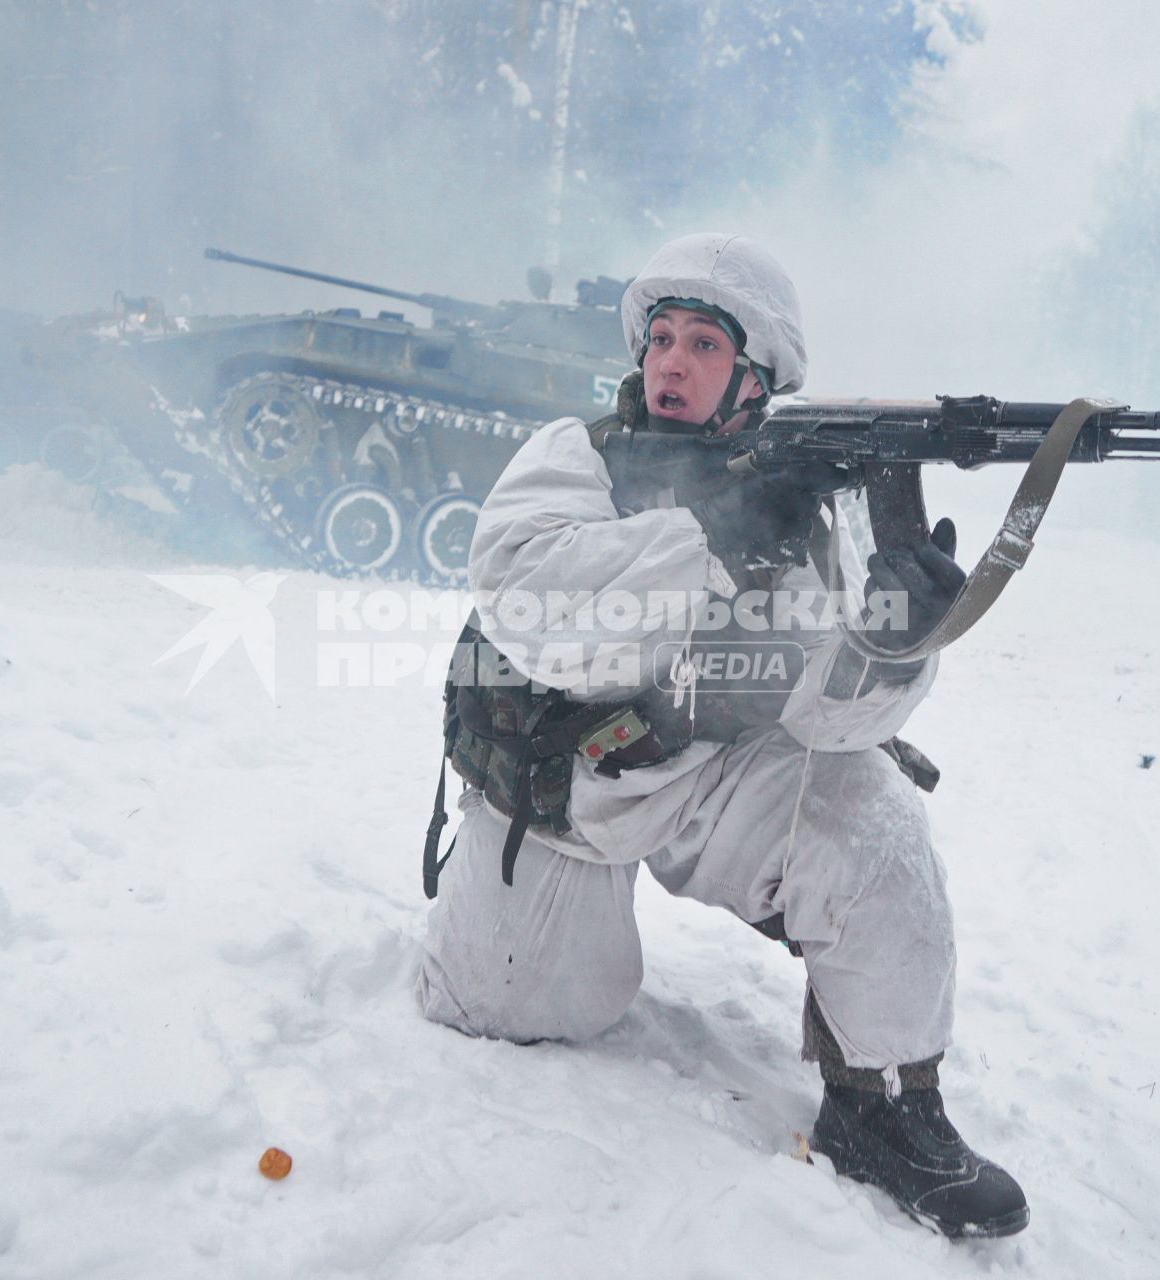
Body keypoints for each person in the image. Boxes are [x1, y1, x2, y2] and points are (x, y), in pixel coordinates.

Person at [415, 232, 1027, 1238]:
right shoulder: (579, 457)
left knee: (867, 819)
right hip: (564, 791)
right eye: (660, 337)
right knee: (522, 1008)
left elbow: (829, 715)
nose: (668, 361)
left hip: (705, 772)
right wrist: (708, 539)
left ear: (755, 376)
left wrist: (890, 642)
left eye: (703, 342)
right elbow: (525, 593)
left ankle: (883, 1104)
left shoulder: (803, 507)